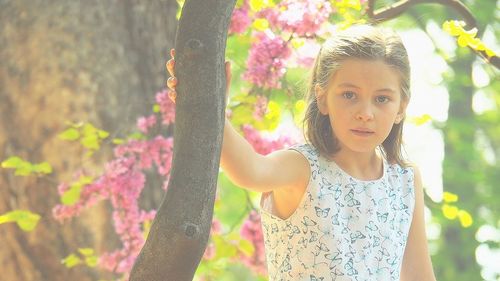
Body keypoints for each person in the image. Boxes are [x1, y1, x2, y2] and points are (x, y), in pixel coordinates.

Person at [166, 24, 436, 281]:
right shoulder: (303, 167)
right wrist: (210, 106)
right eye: (349, 95)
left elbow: (419, 276)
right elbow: (250, 170)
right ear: (322, 98)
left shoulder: (404, 179)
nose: (365, 113)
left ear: (401, 107)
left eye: (382, 99)